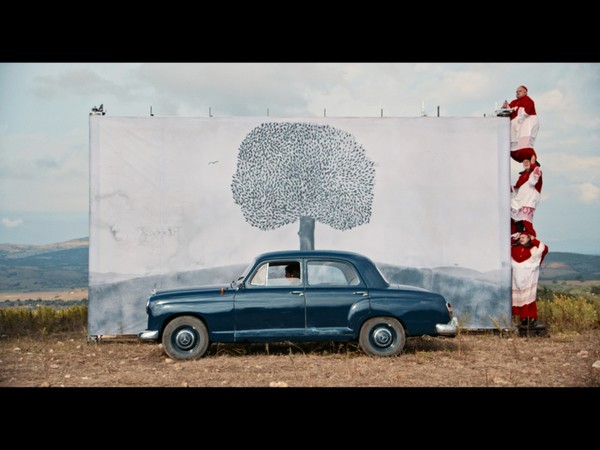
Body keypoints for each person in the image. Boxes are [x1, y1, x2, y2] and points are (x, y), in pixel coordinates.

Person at [511, 232, 549, 329]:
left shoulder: (533, 250)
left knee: (528, 299)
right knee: (517, 299)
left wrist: (534, 240)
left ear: (529, 238)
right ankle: (521, 319)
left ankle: (529, 319)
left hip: (529, 278)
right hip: (516, 278)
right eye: (520, 237)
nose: (521, 239)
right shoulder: (514, 249)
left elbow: (544, 249)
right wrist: (514, 238)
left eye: (524, 237)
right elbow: (504, 245)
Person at [502, 85, 539, 154]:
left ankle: (533, 162)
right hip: (516, 130)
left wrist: (514, 109)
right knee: (513, 150)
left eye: (520, 91)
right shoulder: (513, 102)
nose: (517, 93)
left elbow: (525, 112)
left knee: (525, 148)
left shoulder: (528, 100)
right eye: (516, 92)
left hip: (526, 128)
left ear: (525, 92)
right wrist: (504, 107)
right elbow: (508, 112)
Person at [511, 157, 542, 238]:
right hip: (518, 204)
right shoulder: (522, 176)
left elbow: (533, 181)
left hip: (528, 203)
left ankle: (533, 244)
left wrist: (533, 163)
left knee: (527, 225)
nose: (525, 163)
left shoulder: (536, 173)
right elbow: (517, 189)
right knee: (513, 223)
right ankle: (518, 239)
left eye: (528, 161)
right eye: (524, 161)